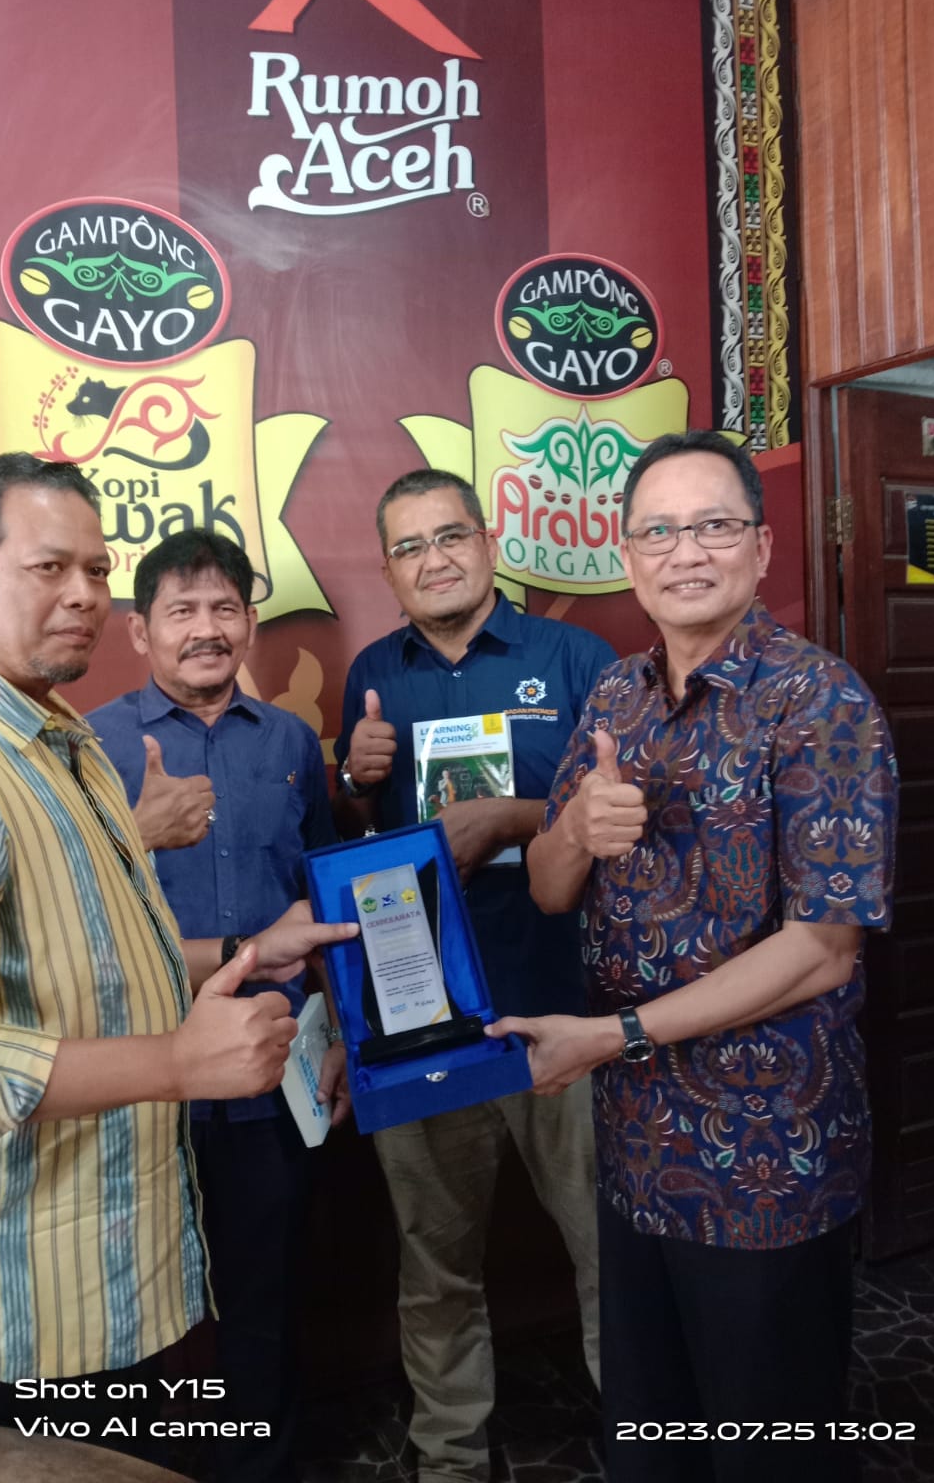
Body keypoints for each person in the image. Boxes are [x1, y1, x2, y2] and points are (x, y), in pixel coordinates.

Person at [0, 454, 355, 1440]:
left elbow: (99, 955)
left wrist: (242, 955)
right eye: (49, 567)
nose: (83, 595)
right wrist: (178, 1062)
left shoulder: (59, 743)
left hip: (90, 1279)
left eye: (97, 570)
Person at [489, 430, 898, 1483]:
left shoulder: (822, 701)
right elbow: (547, 886)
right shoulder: (614, 699)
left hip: (769, 1164)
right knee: (652, 1436)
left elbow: (824, 948)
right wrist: (577, 826)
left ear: (760, 547)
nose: (686, 552)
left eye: (713, 525)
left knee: (769, 1449)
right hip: (637, 1149)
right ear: (628, 557)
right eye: (659, 532)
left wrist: (614, 1034)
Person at [334, 468, 615, 1483]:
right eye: (410, 546)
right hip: (427, 1016)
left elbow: (628, 810)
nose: (435, 559)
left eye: (450, 535)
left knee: (609, 1251)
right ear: (389, 570)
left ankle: (646, 1441)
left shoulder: (575, 658)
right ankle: (449, 1456)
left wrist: (511, 818)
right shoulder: (376, 673)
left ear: (489, 541)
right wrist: (355, 780)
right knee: (435, 1261)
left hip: (563, 1001)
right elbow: (360, 849)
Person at [88, 530, 344, 1483]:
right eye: (182, 611)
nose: (206, 628)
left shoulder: (288, 742)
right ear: (139, 631)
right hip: (138, 1080)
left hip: (273, 1074)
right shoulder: (88, 746)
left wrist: (341, 1038)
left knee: (266, 1296)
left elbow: (321, 899)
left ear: (249, 622)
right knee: (130, 1313)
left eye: (225, 608)